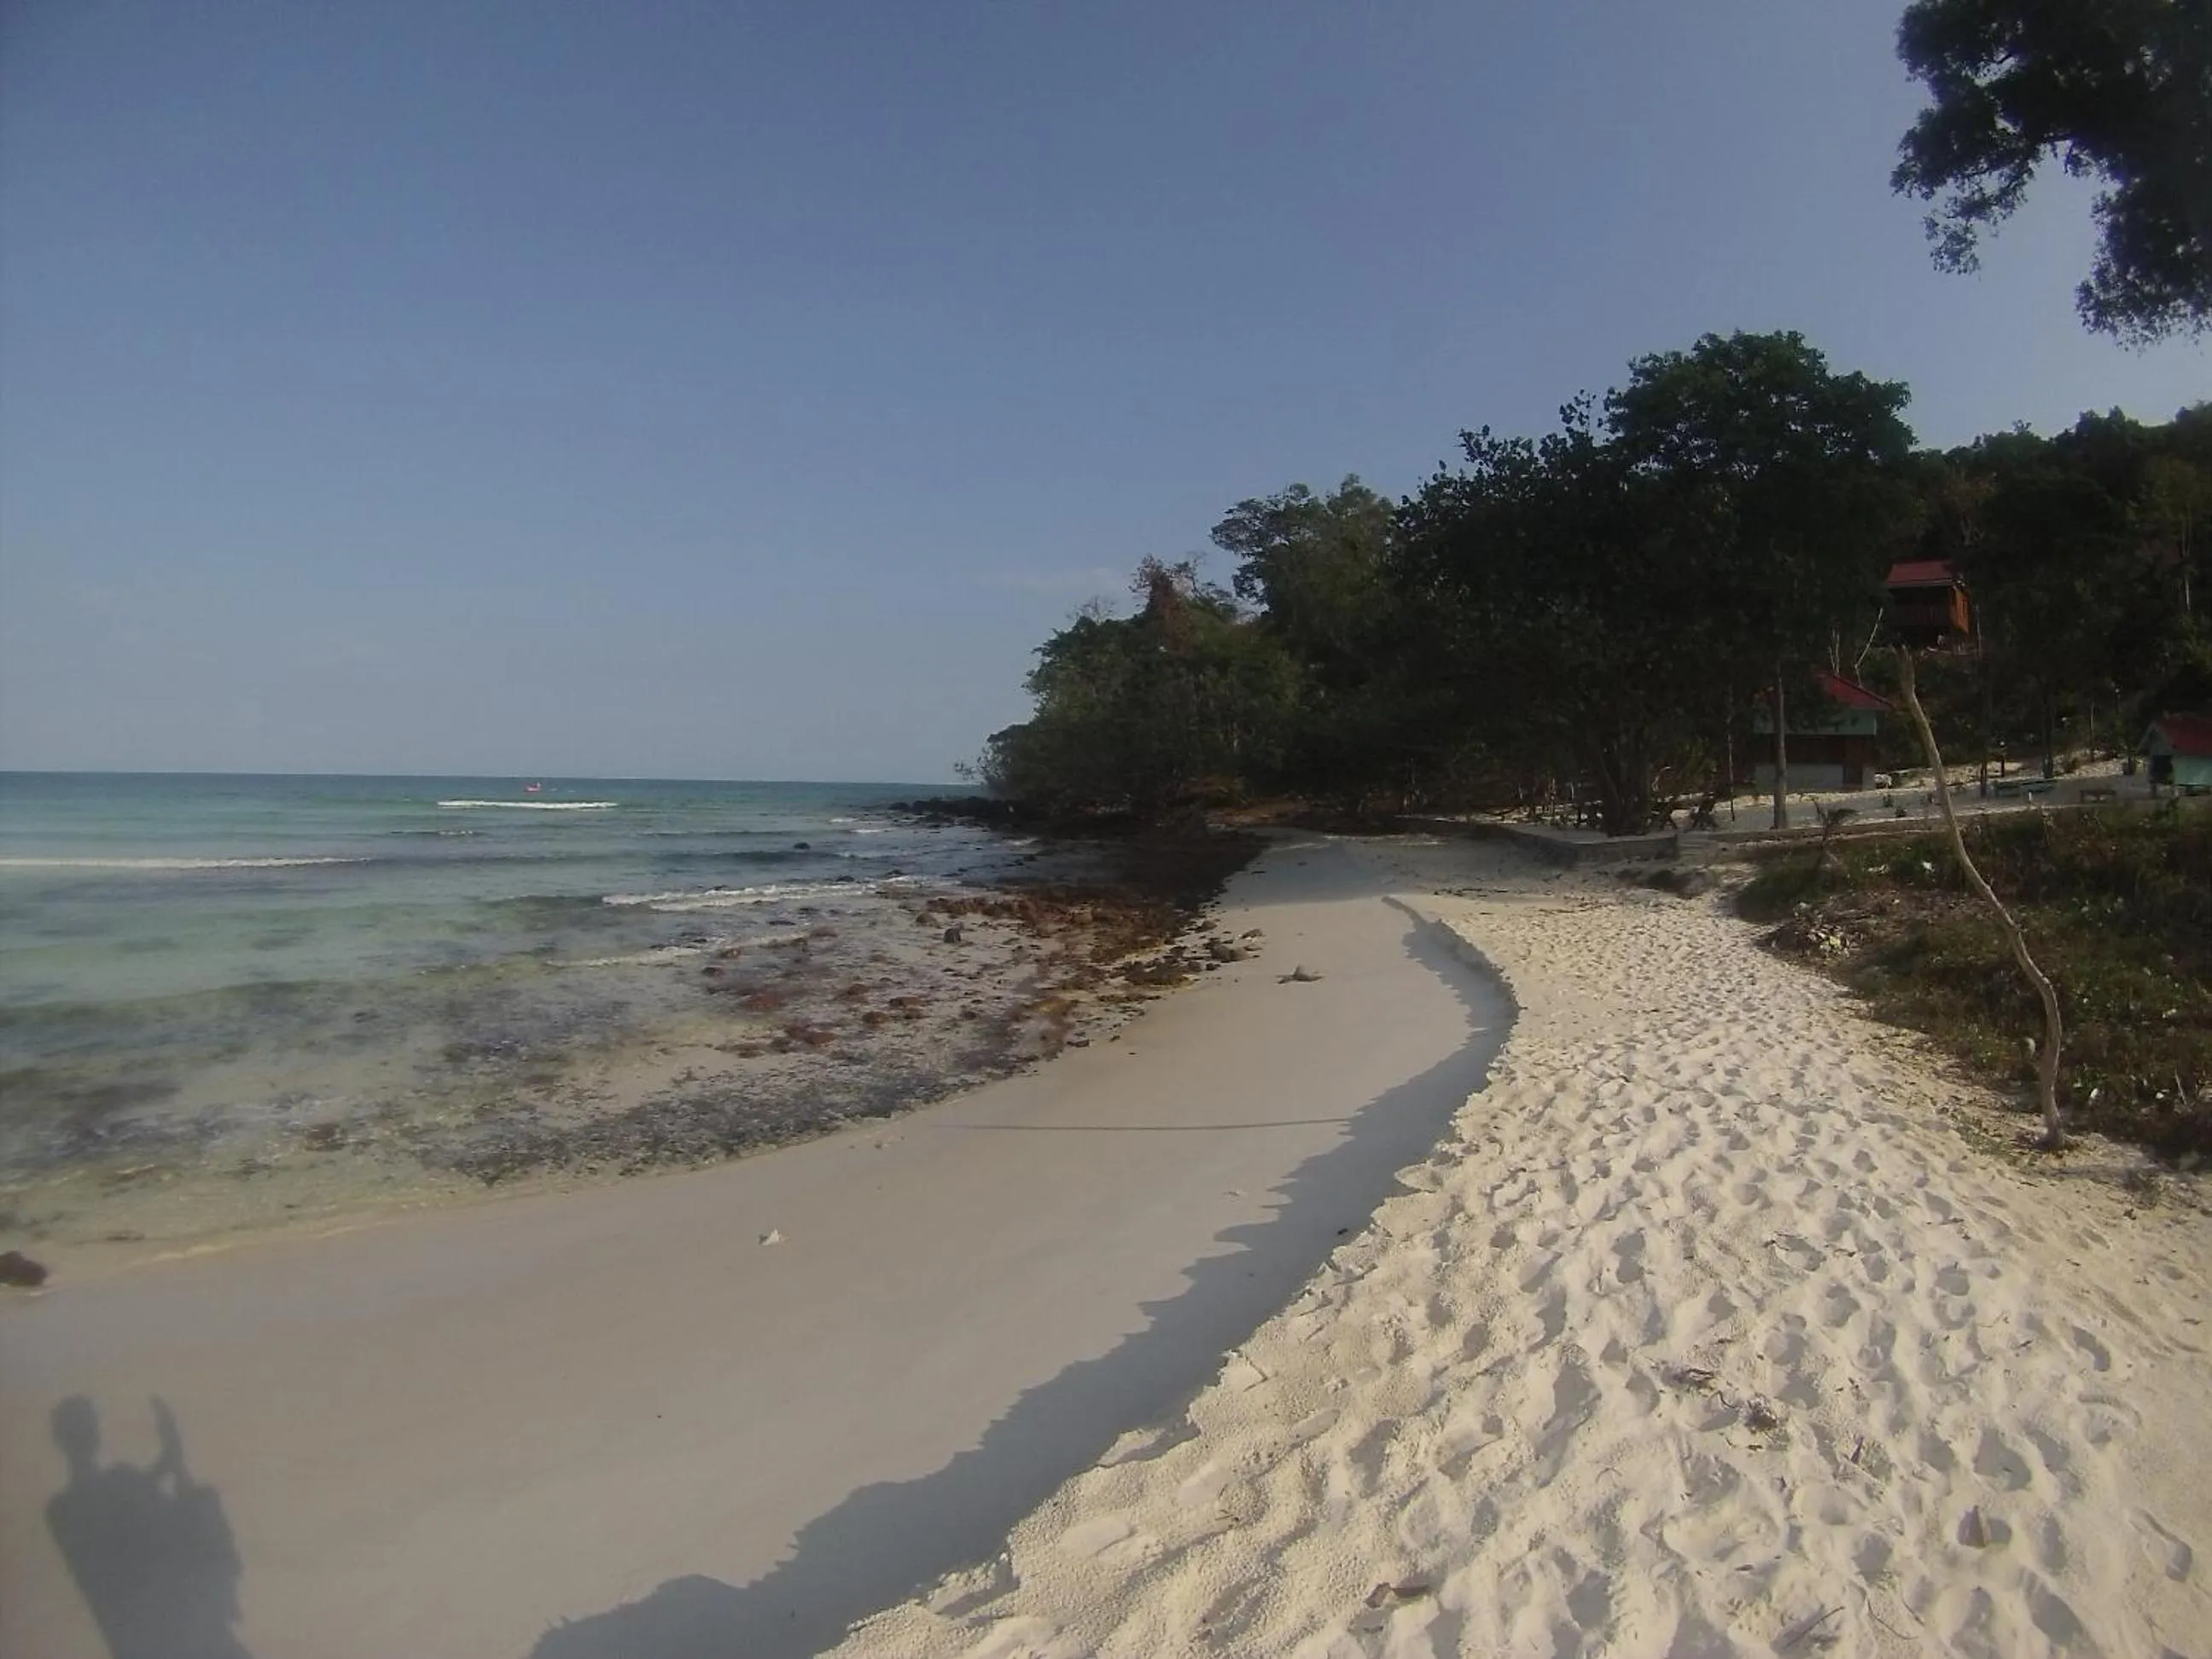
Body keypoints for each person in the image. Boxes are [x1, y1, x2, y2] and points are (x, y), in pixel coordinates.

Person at [45, 1396, 252, 1659]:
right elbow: (126, 1515)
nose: (90, 1431)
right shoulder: (65, 1509)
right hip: (162, 1632)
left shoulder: (117, 1483)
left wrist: (172, 1462)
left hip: (180, 1625)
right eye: (82, 1425)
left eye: (89, 1423)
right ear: (63, 1438)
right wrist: (171, 1464)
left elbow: (167, 1518)